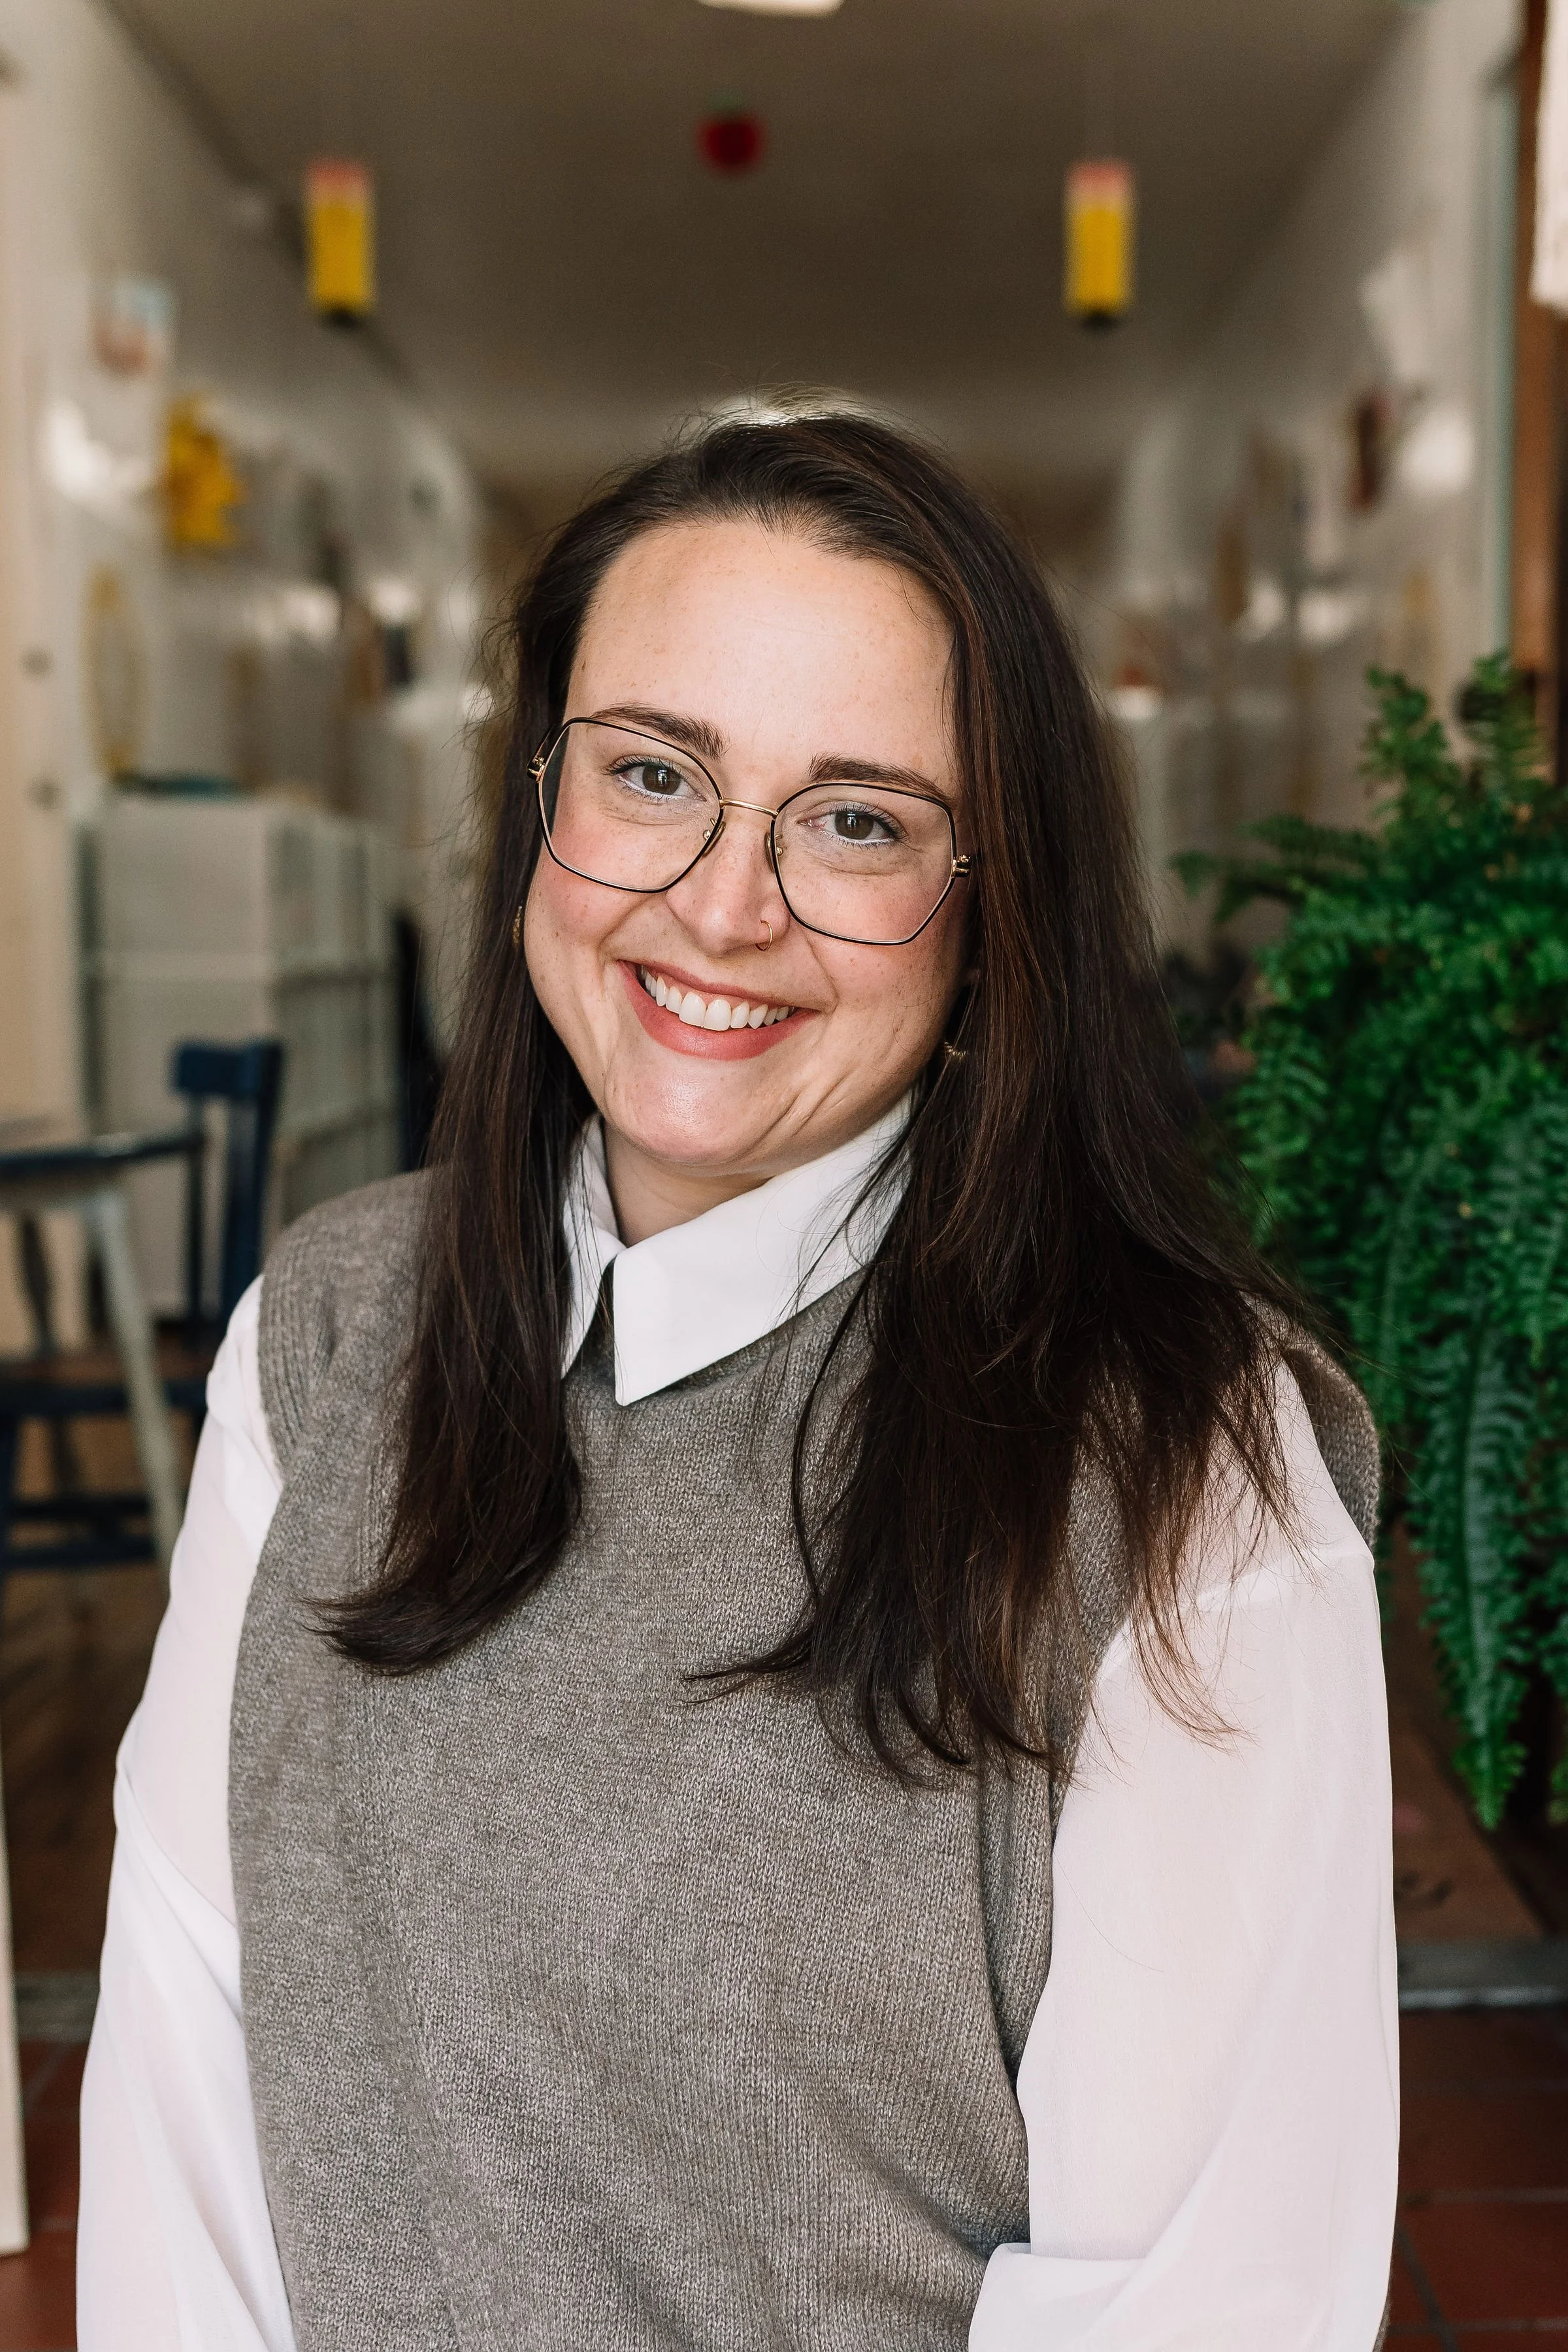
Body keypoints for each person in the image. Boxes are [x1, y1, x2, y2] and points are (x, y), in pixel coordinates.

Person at [78, 410, 1397, 2351]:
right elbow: (187, 2067)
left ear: (994, 902)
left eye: (855, 817)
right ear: (543, 802)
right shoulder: (337, 1331)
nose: (722, 902)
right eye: (651, 773)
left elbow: (1202, 2295)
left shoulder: (1190, 1464)